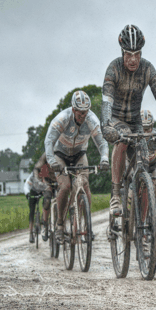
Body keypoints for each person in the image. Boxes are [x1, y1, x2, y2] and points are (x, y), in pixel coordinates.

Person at [101, 24, 156, 220]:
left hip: (135, 121)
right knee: (123, 140)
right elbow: (106, 101)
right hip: (117, 120)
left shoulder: (148, 69)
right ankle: (116, 195)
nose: (133, 59)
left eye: (137, 54)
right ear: (122, 52)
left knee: (144, 163)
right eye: (128, 54)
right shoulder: (114, 68)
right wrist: (105, 125)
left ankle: (142, 225)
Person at [45, 90, 110, 243]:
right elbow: (48, 142)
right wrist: (52, 162)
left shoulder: (91, 119)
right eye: (80, 113)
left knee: (84, 183)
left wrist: (105, 159)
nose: (83, 116)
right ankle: (60, 224)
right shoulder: (62, 119)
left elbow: (102, 142)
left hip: (80, 154)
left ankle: (85, 224)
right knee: (65, 186)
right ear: (73, 109)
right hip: (60, 155)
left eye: (85, 112)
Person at [32, 152, 57, 242]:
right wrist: (37, 180)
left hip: (61, 179)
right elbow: (37, 168)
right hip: (48, 180)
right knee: (47, 199)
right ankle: (45, 225)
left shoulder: (65, 151)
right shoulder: (47, 154)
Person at [24, 166, 47, 244]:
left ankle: (42, 219)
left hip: (41, 190)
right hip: (33, 192)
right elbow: (26, 184)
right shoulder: (32, 175)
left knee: (46, 201)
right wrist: (27, 193)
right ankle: (31, 233)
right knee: (32, 211)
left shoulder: (45, 174)